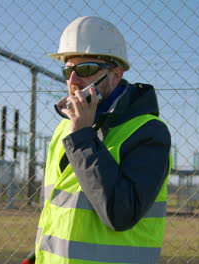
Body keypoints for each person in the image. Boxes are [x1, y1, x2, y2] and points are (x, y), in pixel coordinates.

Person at [22, 16, 172, 264]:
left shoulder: (148, 132)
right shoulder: (64, 129)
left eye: (86, 70)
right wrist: (37, 256)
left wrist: (83, 137)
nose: (73, 81)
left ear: (116, 73)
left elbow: (120, 214)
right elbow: (56, 211)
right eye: (68, 70)